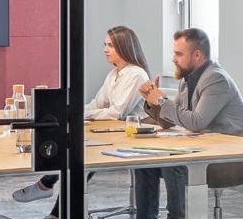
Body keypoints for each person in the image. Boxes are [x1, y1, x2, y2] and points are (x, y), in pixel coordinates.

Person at [106, 27, 243, 219]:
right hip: (204, 149)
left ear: (197, 55)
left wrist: (163, 101)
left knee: (172, 160)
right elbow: (173, 120)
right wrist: (152, 102)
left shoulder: (216, 79)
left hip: (230, 157)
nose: (173, 59)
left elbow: (196, 122)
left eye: (178, 54)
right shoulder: (187, 80)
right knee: (145, 163)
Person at [16, 26, 152, 203]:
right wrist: (72, 112)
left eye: (110, 45)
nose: (105, 49)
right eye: (105, 45)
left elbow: (116, 113)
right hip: (113, 132)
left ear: (124, 47)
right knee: (75, 150)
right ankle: (49, 191)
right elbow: (97, 104)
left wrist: (82, 115)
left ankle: (49, 193)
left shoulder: (136, 74)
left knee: (79, 155)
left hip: (129, 137)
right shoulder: (114, 74)